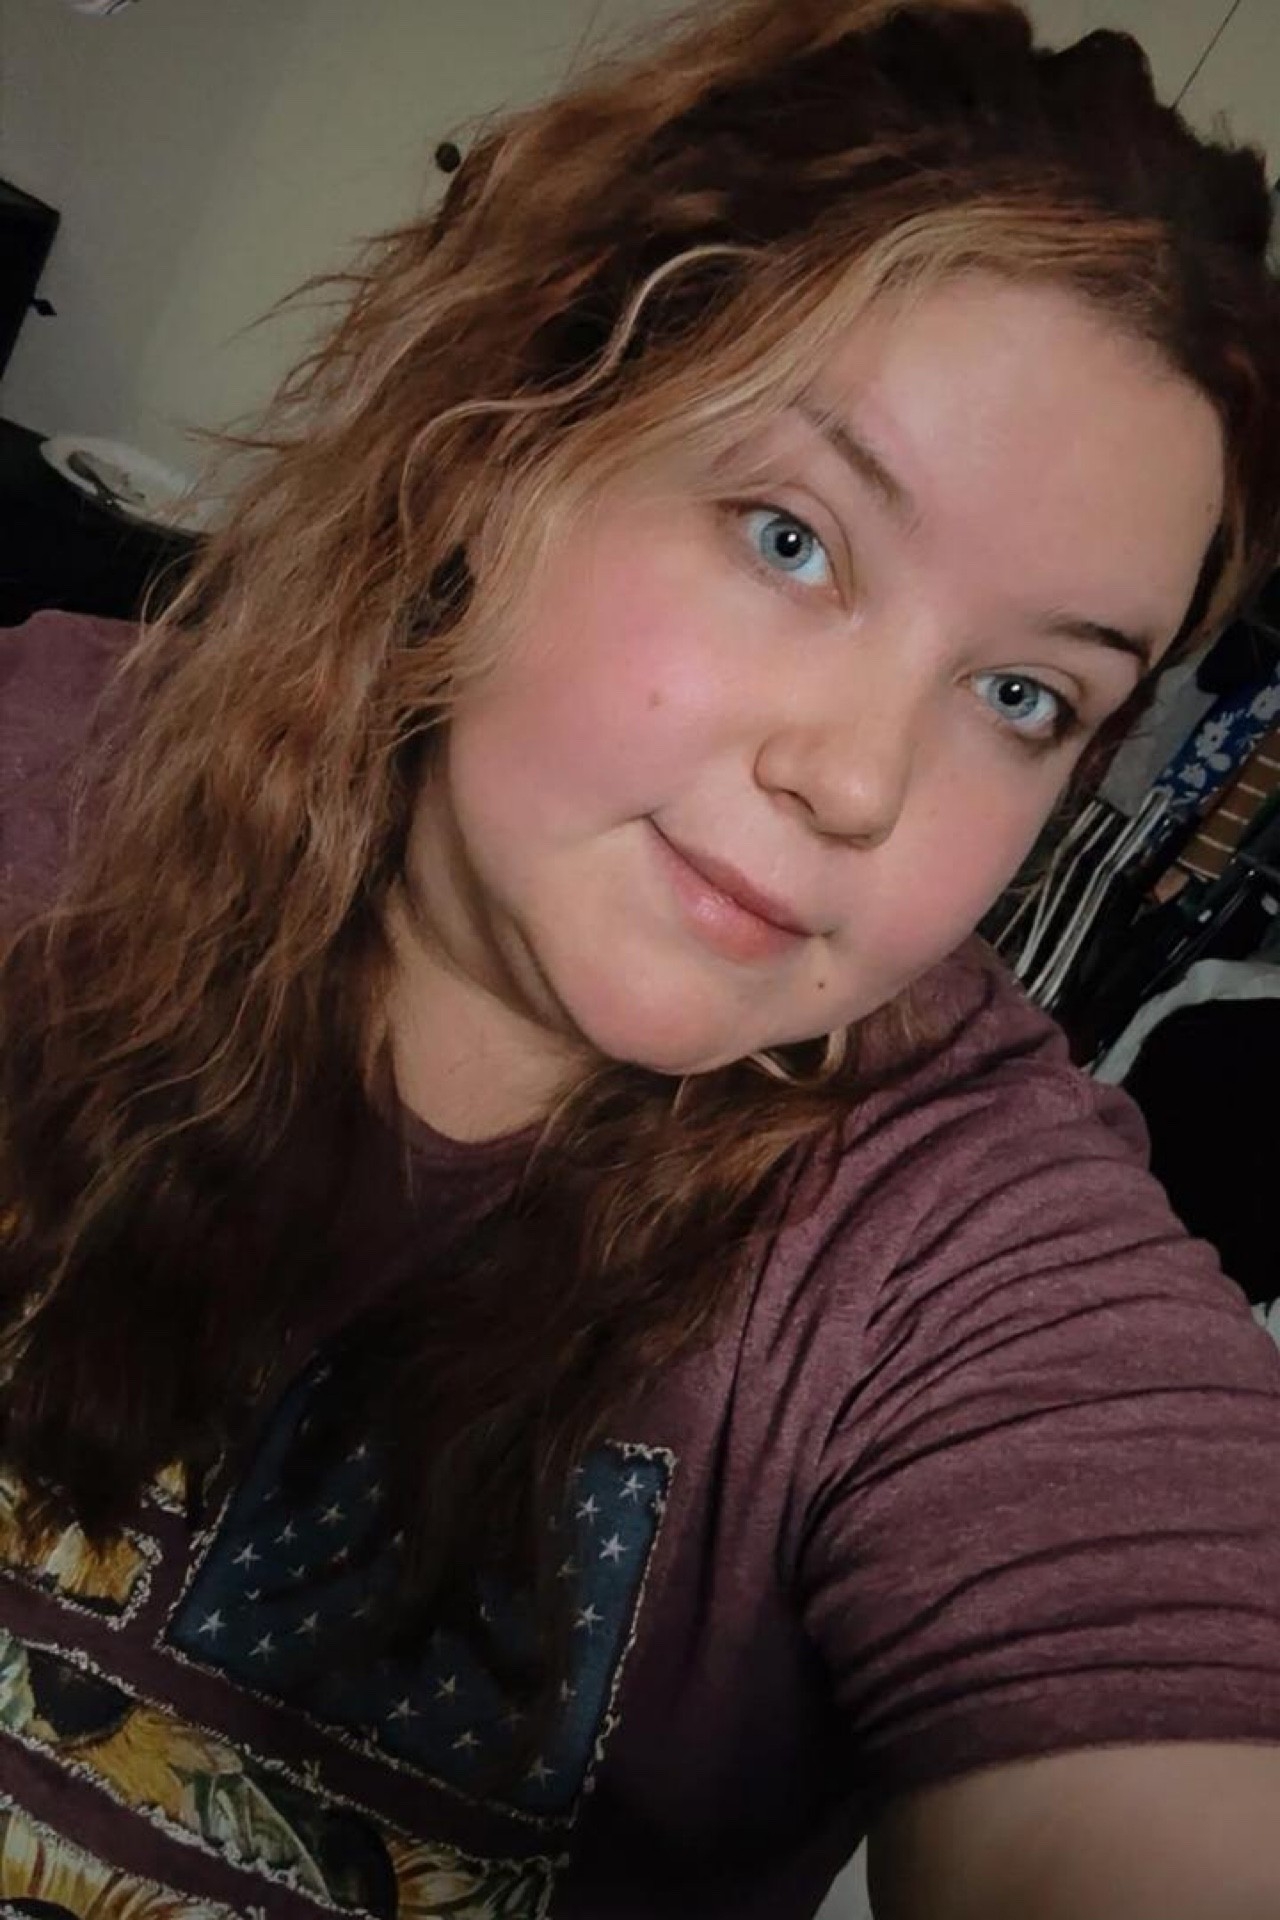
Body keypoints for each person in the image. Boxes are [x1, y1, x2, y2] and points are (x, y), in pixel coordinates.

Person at [2, 1, 1279, 1914]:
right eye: (791, 538)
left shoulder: (955, 1257)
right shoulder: (42, 770)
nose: (860, 780)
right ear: (501, 446)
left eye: (1024, 693)